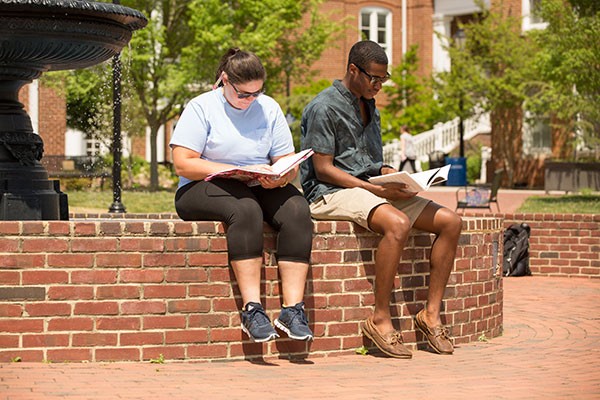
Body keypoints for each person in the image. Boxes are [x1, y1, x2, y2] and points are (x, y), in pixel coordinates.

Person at [300, 40, 462, 358]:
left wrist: (399, 179)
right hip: (330, 193)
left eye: (383, 79)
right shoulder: (323, 107)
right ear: (352, 70)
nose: (378, 85)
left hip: (369, 189)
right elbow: (323, 169)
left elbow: (371, 164)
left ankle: (430, 315)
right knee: (398, 223)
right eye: (373, 78)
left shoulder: (369, 106)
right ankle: (380, 319)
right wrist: (375, 190)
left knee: (451, 222)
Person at [170, 48, 314, 343]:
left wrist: (281, 177)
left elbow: (286, 159)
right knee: (247, 210)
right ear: (225, 80)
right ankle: (253, 311)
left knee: (298, 209)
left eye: (257, 93)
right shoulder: (201, 107)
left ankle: (292, 310)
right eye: (244, 94)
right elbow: (183, 162)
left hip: (256, 183)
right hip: (202, 187)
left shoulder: (269, 108)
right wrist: (231, 169)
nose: (251, 100)